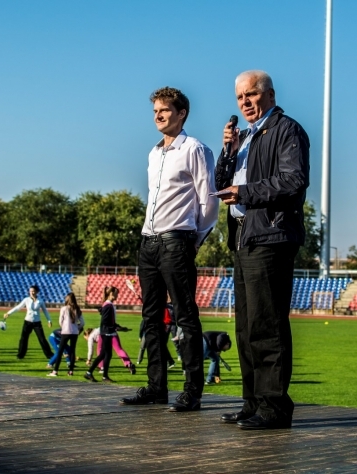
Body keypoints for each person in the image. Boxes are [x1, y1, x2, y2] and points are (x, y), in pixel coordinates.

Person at [215, 70, 310, 429]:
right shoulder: (244, 138)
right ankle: (253, 402)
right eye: (240, 97)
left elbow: (293, 181)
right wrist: (228, 151)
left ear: (270, 95)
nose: (245, 102)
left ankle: (273, 408)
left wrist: (245, 193)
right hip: (243, 237)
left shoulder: (287, 130)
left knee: (267, 326)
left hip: (271, 236)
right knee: (245, 328)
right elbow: (221, 183)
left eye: (252, 94)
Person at [121, 86, 218, 412]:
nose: (158, 116)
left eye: (164, 110)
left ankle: (192, 391)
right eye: (155, 111)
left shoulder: (195, 149)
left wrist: (194, 239)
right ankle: (156, 387)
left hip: (177, 241)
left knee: (185, 316)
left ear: (182, 113)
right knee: (151, 318)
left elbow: (209, 202)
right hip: (148, 242)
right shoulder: (154, 153)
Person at [3, 285, 54, 360]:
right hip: (27, 322)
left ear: (37, 292)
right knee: (23, 339)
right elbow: (18, 307)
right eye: (30, 291)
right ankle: (20, 355)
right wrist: (8, 313)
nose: (32, 293)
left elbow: (45, 311)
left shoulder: (40, 301)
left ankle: (50, 355)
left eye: (33, 291)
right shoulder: (26, 300)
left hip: (37, 323)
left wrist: (49, 320)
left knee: (42, 339)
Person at [84, 286, 123, 383]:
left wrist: (118, 327)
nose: (117, 295)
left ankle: (93, 373)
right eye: (116, 293)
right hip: (106, 333)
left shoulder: (108, 305)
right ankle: (96, 374)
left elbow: (109, 320)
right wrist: (114, 327)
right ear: (111, 294)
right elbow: (105, 321)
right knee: (105, 354)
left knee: (105, 354)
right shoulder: (108, 305)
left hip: (107, 332)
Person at [48, 294, 85, 377]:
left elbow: (60, 321)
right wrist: (77, 327)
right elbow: (82, 323)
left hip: (65, 332)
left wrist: (64, 327)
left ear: (67, 299)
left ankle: (55, 371)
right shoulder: (77, 309)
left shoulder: (64, 308)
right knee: (72, 351)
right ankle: (71, 371)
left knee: (60, 351)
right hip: (74, 333)